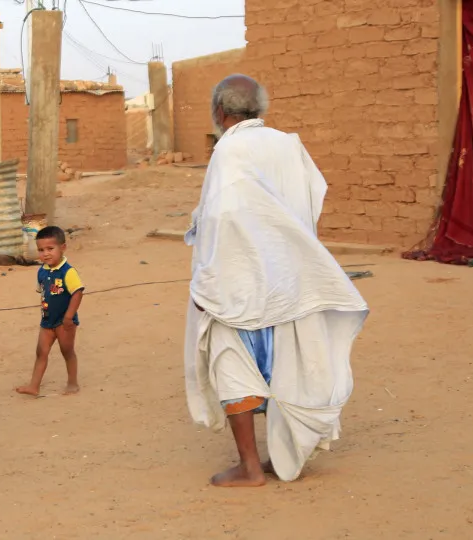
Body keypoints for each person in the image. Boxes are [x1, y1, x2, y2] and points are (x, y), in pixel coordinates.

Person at [183, 74, 369, 487]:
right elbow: (311, 200)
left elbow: (220, 216)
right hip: (289, 280)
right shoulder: (289, 145)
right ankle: (282, 456)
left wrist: (207, 282)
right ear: (260, 108)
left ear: (219, 111)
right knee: (288, 364)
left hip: (240, 281)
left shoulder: (228, 150)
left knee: (233, 364)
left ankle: (251, 468)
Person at [16, 226, 84, 396]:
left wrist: (69, 316)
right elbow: (43, 292)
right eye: (41, 250)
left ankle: (72, 383)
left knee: (67, 351)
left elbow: (78, 292)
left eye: (50, 249)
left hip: (64, 322)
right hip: (47, 321)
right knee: (41, 352)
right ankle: (34, 386)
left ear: (63, 248)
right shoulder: (42, 271)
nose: (45, 254)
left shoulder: (68, 272)